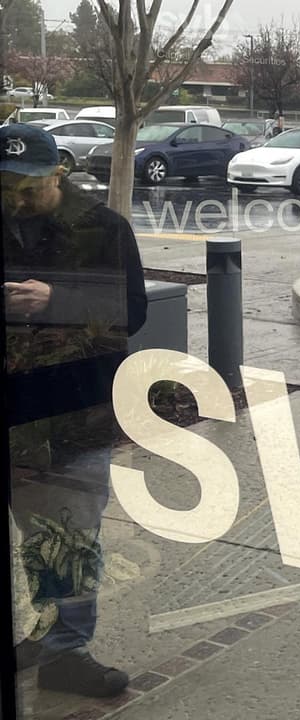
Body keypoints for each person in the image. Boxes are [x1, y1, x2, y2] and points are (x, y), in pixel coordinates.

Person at [3, 123, 147, 697]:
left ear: (58, 174)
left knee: (71, 533)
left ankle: (66, 651)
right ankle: (46, 633)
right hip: (14, 410)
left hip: (71, 412)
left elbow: (131, 309)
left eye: (30, 187)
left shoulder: (103, 228)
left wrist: (56, 300)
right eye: (6, 186)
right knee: (37, 533)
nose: (17, 198)